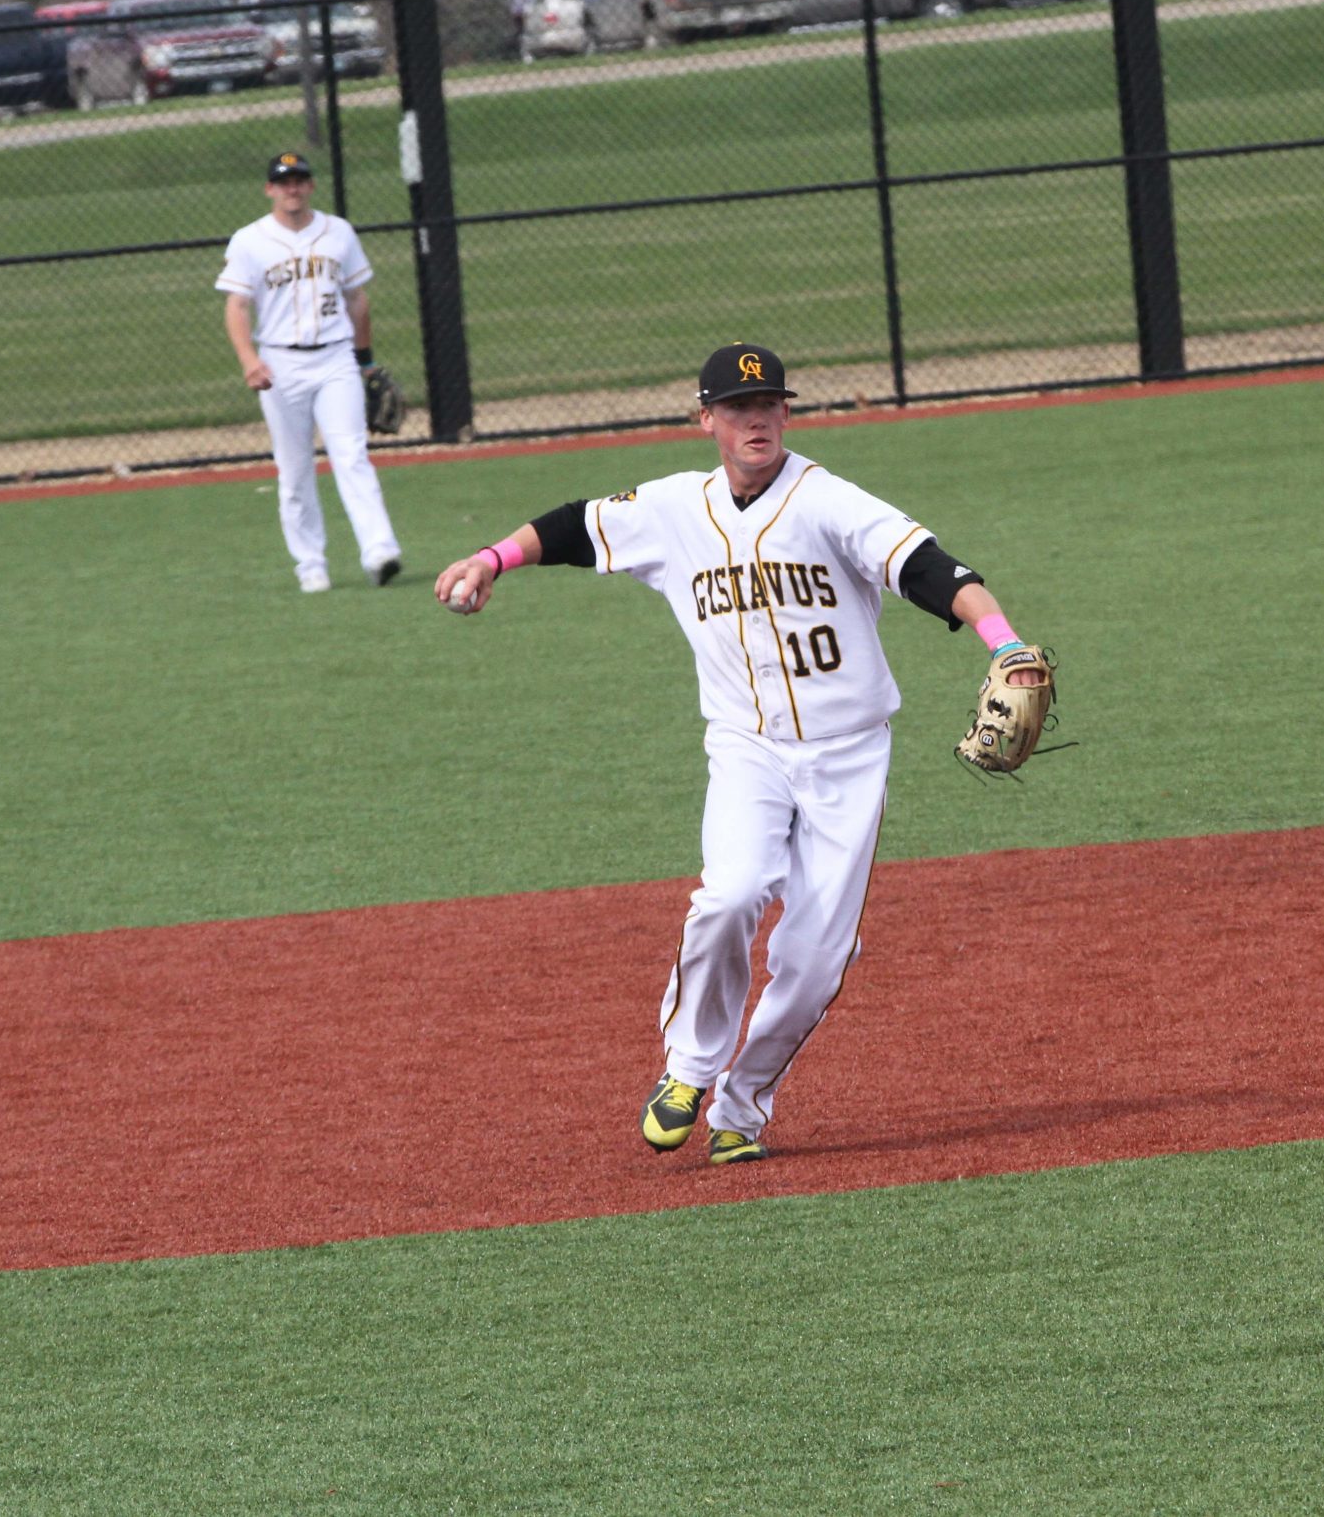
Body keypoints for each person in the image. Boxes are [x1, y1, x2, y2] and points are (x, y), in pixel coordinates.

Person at [433, 342, 1050, 1165]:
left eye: (767, 407)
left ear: (786, 413)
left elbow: (929, 566)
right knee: (729, 895)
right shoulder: (674, 509)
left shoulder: (828, 501)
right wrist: (490, 560)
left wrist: (1003, 642)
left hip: (847, 754)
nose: (754, 420)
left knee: (816, 959)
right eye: (735, 408)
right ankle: (688, 1067)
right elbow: (575, 524)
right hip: (747, 748)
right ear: (707, 421)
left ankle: (742, 1105)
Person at [218, 150, 402, 592]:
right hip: (279, 362)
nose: (292, 188)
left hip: (336, 356)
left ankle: (379, 551)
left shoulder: (338, 232)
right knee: (295, 468)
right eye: (283, 181)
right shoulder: (250, 240)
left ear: (311, 185)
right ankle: (310, 564)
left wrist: (366, 361)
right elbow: (237, 306)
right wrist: (249, 360)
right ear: (269, 189)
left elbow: (357, 299)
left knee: (351, 455)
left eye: (299, 179)